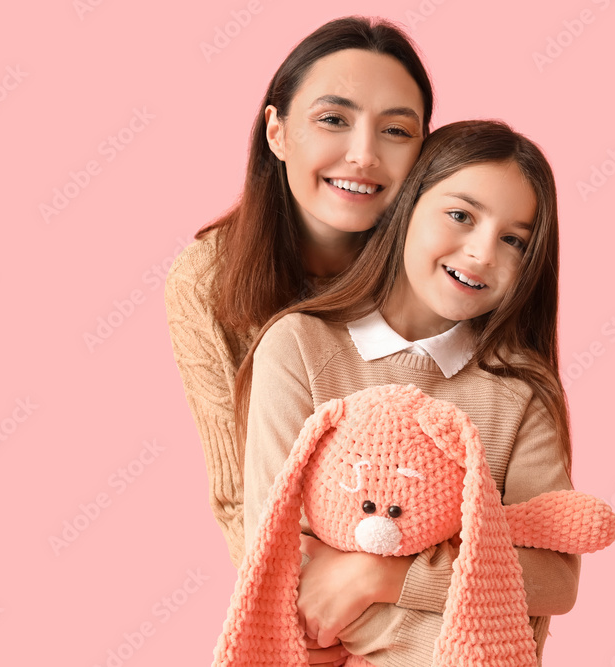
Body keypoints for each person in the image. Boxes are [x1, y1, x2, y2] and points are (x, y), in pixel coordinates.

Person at [238, 120, 579, 667]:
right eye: (461, 215)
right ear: (405, 206)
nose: (483, 252)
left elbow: (555, 578)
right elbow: (283, 563)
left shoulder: (520, 391)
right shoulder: (299, 346)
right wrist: (462, 607)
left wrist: (379, 575)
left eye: (514, 239)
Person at [164, 16, 433, 570]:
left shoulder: (445, 270)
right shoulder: (206, 281)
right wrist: (296, 606)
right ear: (277, 132)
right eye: (333, 119)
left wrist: (382, 586)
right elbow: (240, 495)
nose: (364, 154)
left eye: (397, 130)